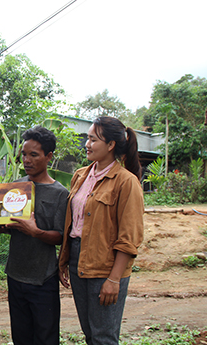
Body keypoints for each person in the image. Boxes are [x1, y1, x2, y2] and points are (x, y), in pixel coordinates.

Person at [58, 116, 144, 345]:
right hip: (78, 261)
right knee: (89, 332)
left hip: (106, 265)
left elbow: (129, 237)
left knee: (104, 336)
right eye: (87, 138)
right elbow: (73, 224)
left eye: (93, 139)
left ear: (111, 145)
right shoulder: (80, 175)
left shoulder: (126, 182)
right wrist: (66, 260)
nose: (87, 144)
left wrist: (114, 279)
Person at [0, 126, 68, 345]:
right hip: (15, 275)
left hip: (44, 278)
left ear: (48, 156)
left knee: (46, 338)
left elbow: (61, 237)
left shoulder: (60, 194)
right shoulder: (16, 188)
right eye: (24, 154)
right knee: (21, 337)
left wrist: (36, 232)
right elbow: (9, 226)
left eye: (34, 154)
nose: (27, 160)